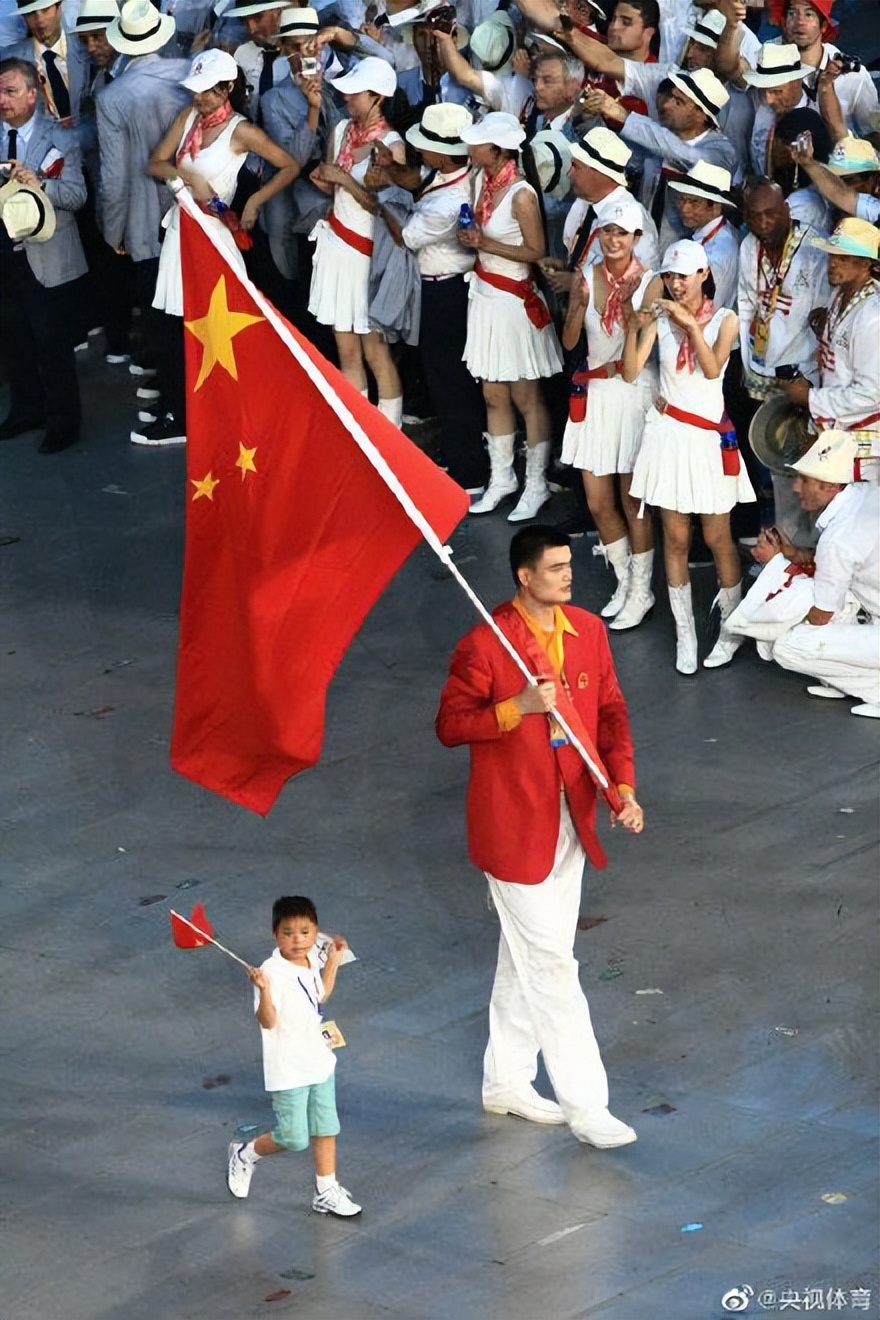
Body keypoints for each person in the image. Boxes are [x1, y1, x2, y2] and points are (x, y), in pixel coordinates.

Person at [435, 525, 644, 1149]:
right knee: (552, 964)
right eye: (555, 567)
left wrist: (623, 788)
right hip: (511, 827)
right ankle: (588, 1105)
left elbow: (610, 714)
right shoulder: (485, 642)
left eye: (569, 564)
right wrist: (516, 708)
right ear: (524, 576)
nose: (568, 574)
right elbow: (449, 725)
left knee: (524, 957)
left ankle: (505, 1081)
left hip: (571, 819)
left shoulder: (588, 631)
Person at [137, 48, 299, 444]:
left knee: (217, 329)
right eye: (196, 90)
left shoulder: (242, 131)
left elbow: (289, 164)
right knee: (174, 323)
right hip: (181, 232)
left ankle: (211, 409)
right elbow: (155, 163)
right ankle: (185, 407)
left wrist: (255, 201)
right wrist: (188, 180)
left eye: (208, 91)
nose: (199, 98)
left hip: (214, 237)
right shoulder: (188, 117)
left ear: (227, 89)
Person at [625, 239, 756, 672]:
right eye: (669, 276)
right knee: (676, 538)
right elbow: (630, 372)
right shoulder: (661, 319)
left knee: (718, 537)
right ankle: (686, 634)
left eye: (683, 275)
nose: (675, 284)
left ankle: (731, 628)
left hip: (706, 441)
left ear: (704, 274)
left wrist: (691, 327)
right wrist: (634, 326)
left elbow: (713, 368)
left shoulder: (726, 319)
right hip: (670, 437)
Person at [226, 894, 362, 1217]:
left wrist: (331, 960)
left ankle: (325, 1190)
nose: (297, 939)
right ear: (276, 935)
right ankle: (244, 1154)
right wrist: (264, 989)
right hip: (288, 1070)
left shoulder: (311, 959)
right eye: (288, 932)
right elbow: (268, 1021)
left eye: (305, 931)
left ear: (316, 932)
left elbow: (320, 994)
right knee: (293, 1136)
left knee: (326, 1126)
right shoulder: (269, 972)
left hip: (319, 1061)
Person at [458, 111, 563, 522]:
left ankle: (536, 481)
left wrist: (485, 243)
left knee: (525, 397)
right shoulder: (481, 181)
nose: (470, 148)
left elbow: (535, 251)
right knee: (493, 393)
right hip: (485, 297)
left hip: (513, 300)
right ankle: (502, 477)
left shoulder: (521, 194)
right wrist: (473, 242)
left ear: (496, 150)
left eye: (477, 143)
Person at [732, 431, 879, 717]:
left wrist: (776, 566)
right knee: (837, 600)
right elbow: (847, 562)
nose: (797, 487)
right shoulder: (865, 494)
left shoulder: (837, 539)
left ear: (830, 486)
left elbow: (820, 615)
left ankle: (871, 689)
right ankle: (846, 681)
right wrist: (793, 556)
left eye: (805, 480)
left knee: (788, 646)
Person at [560, 197, 657, 629]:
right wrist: (578, 306)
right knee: (599, 502)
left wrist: (633, 309)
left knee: (631, 500)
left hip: (633, 394)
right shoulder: (585, 276)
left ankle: (642, 589)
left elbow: (642, 346)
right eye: (606, 231)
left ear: (636, 238)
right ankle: (623, 579)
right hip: (596, 392)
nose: (613, 239)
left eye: (621, 233)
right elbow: (568, 343)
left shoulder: (651, 281)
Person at [308, 55, 406, 425]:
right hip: (336, 245)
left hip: (368, 254)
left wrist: (344, 179)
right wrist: (326, 178)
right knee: (345, 346)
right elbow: (328, 181)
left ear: (377, 97)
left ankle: (390, 432)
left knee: (374, 350)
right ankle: (359, 426)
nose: (347, 99)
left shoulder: (393, 145)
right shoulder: (341, 131)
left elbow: (385, 207)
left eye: (355, 93)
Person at [399, 101, 487, 496]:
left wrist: (384, 207)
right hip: (443, 288)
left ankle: (467, 468)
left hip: (446, 291)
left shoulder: (449, 201)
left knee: (450, 378)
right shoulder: (457, 177)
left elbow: (408, 236)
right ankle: (458, 453)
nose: (421, 152)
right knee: (445, 376)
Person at [0, 56, 87, 453]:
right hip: (6, 256)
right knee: (15, 340)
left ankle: (64, 422)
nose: (2, 101)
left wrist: (38, 186)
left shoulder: (62, 138)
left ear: (33, 94)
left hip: (48, 255)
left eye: (11, 91)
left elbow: (76, 196)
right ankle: (25, 410)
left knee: (53, 344)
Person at [778, 217, 880, 478]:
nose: (833, 263)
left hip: (863, 441)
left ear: (867, 264)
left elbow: (872, 394)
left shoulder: (873, 316)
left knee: (850, 515)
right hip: (834, 430)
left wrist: (810, 398)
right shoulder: (838, 296)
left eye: (843, 258)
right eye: (832, 255)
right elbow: (833, 364)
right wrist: (803, 378)